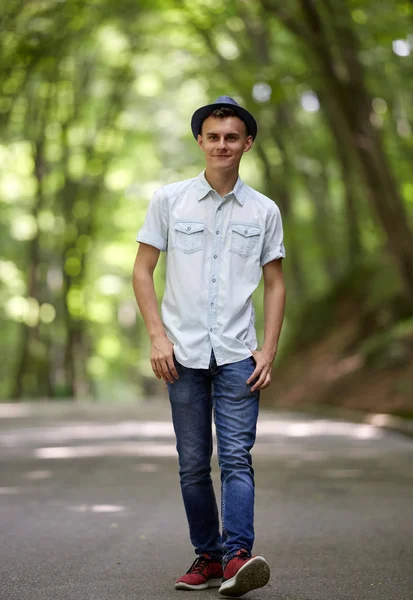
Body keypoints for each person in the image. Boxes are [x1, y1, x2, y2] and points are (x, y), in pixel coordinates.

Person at [132, 95, 286, 597]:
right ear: (201, 141)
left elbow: (276, 284)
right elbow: (141, 270)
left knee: (237, 457)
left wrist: (269, 349)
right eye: (213, 136)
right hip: (183, 355)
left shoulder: (264, 210)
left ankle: (238, 555)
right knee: (194, 463)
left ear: (247, 143)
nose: (222, 144)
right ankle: (208, 556)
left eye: (232, 137)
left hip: (240, 353)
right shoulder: (169, 201)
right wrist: (157, 336)